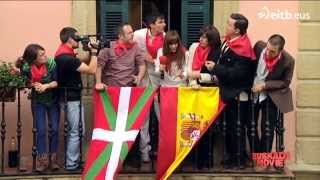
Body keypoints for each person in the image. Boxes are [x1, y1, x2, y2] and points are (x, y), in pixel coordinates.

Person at [206, 13, 256, 169]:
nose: (225, 26)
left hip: (236, 95)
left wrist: (216, 68)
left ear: (237, 30)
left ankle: (239, 160)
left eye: (229, 24)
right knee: (228, 128)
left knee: (237, 129)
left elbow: (237, 74)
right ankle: (230, 157)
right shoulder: (228, 41)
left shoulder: (243, 48)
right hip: (226, 92)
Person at [55, 27, 97, 171]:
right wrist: (95, 52)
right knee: (76, 131)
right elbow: (91, 70)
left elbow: (82, 62)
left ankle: (74, 160)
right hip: (71, 99)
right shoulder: (67, 58)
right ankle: (71, 163)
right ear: (69, 39)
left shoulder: (64, 54)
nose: (78, 40)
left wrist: (90, 51)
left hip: (70, 98)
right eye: (77, 38)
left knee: (78, 130)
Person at [19, 44, 60, 172]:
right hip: (38, 102)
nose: (45, 56)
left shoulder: (52, 64)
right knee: (41, 130)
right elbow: (25, 81)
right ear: (34, 59)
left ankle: (53, 160)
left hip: (52, 100)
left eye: (44, 53)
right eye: (41, 55)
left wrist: (45, 86)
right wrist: (32, 84)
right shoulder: (27, 67)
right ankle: (42, 162)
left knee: (54, 128)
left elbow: (57, 81)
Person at [186, 24, 221, 169]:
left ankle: (206, 160)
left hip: (209, 93)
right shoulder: (194, 47)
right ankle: (194, 159)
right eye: (200, 36)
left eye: (205, 38)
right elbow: (189, 68)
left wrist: (200, 76)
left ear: (212, 40)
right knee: (193, 127)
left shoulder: (217, 52)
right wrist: (193, 81)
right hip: (193, 90)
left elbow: (217, 77)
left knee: (207, 127)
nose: (201, 40)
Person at [252, 34, 294, 153]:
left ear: (280, 50)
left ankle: (264, 157)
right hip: (253, 93)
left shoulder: (288, 60)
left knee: (267, 128)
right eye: (268, 49)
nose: (268, 53)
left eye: (272, 52)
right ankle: (256, 154)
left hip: (271, 96)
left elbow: (286, 82)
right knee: (250, 125)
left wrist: (265, 85)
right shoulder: (259, 47)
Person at [133, 13, 166, 162]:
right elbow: (131, 51)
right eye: (160, 22)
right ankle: (144, 151)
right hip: (143, 80)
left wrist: (152, 60)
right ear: (151, 25)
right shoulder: (138, 35)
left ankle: (164, 149)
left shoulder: (166, 38)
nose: (164, 24)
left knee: (162, 117)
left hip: (159, 81)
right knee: (143, 118)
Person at [95, 23, 146, 89]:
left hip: (129, 88)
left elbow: (142, 65)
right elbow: (99, 66)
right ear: (120, 36)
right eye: (129, 33)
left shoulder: (135, 47)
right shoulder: (108, 47)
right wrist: (98, 83)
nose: (132, 34)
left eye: (132, 32)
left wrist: (139, 77)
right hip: (111, 88)